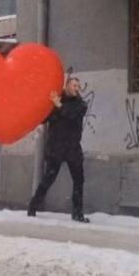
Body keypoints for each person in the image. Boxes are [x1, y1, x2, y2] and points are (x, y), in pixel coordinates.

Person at [27, 77, 90, 223]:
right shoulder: (56, 101)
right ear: (67, 86)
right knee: (49, 178)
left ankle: (77, 213)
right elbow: (43, 118)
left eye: (78, 86)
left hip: (73, 147)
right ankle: (33, 206)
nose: (77, 88)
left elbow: (71, 116)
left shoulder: (80, 104)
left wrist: (59, 105)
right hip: (56, 147)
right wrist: (45, 106)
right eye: (74, 85)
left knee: (79, 180)